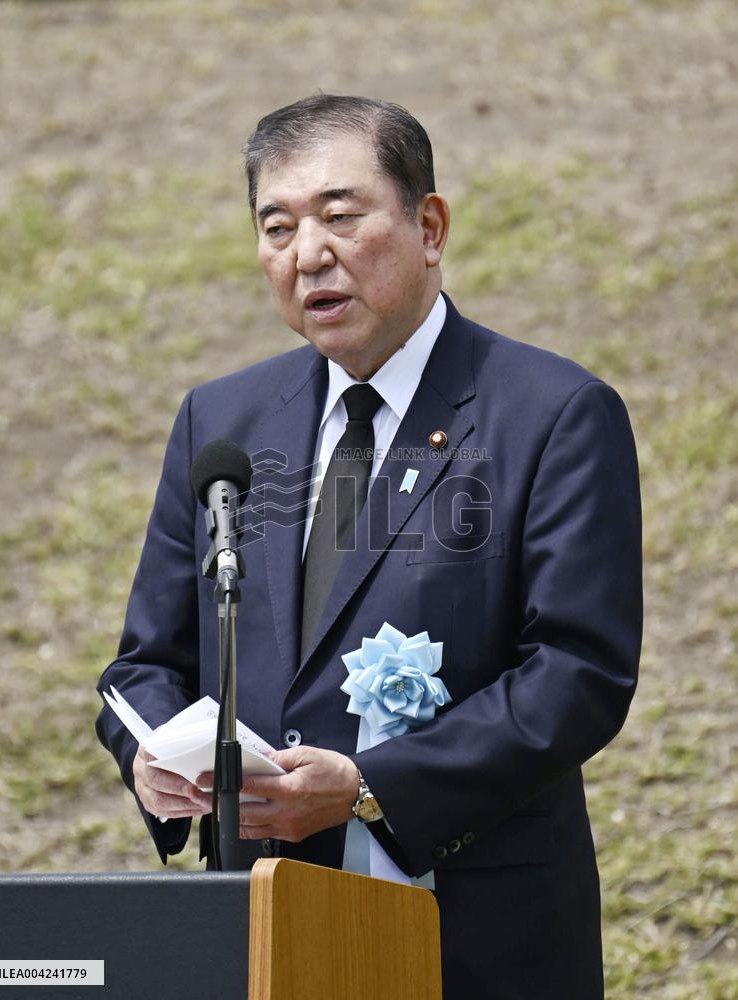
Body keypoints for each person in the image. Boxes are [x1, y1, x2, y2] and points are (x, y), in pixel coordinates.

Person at [96, 94, 643, 999]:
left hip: (471, 929)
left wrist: (368, 784)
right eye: (277, 227)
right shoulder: (222, 422)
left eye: (340, 217)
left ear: (429, 226)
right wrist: (150, 757)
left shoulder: (548, 414)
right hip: (259, 920)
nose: (307, 253)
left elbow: (577, 673)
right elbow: (144, 664)